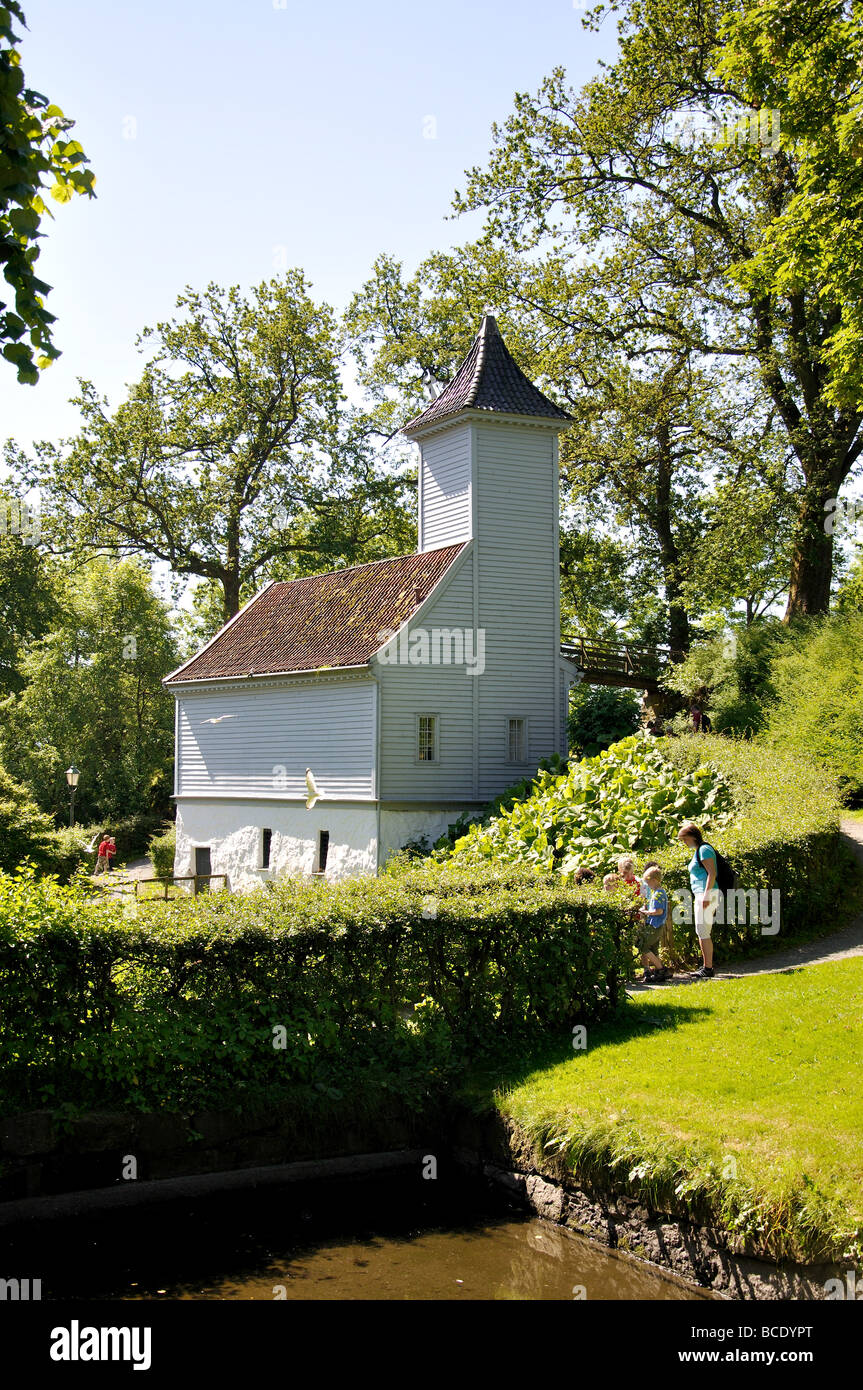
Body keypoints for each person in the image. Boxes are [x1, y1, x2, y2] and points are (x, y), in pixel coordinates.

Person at [677, 820, 718, 978]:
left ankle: (708, 968)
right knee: (702, 931)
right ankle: (706, 967)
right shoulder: (699, 850)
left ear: (693, 837)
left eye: (685, 839)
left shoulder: (704, 850)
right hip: (702, 894)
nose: (684, 843)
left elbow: (712, 873)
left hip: (706, 894)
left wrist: (706, 896)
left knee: (703, 931)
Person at [636, 865, 671, 981]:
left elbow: (659, 911)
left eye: (648, 882)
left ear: (655, 880)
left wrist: (646, 912)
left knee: (643, 945)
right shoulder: (658, 892)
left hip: (655, 925)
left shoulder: (658, 894)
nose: (647, 885)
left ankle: (661, 969)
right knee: (654, 949)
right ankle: (659, 970)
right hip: (656, 925)